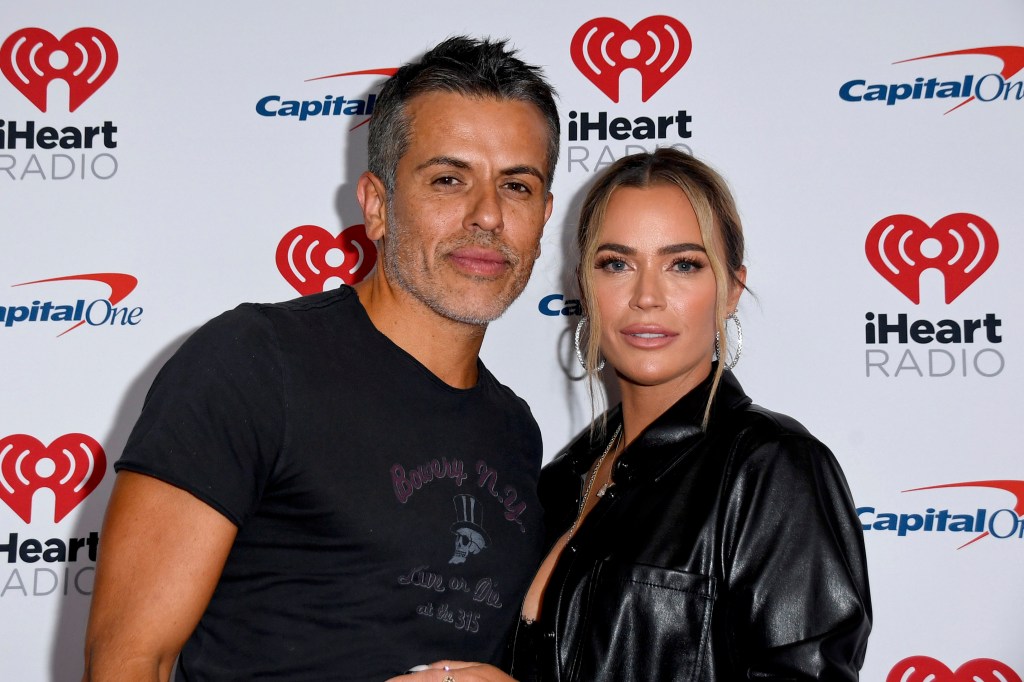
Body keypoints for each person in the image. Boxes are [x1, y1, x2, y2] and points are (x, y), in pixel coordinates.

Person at [82, 36, 559, 682]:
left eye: (517, 186)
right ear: (377, 206)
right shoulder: (253, 364)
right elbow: (129, 662)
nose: (488, 216)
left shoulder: (515, 431)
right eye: (449, 180)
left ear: (543, 217)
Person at [390, 148, 871, 682]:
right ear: (585, 287)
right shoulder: (562, 477)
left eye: (683, 264)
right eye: (616, 264)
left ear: (731, 290)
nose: (646, 296)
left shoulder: (772, 468)